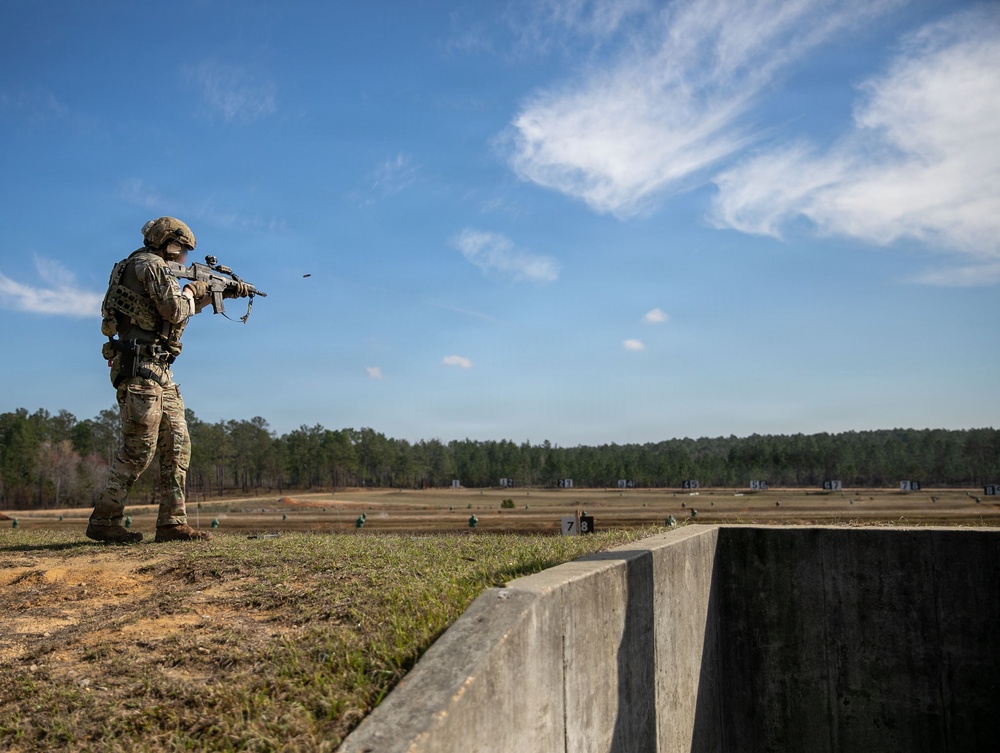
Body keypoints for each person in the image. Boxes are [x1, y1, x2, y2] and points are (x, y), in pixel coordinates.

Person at [87, 217, 250, 544]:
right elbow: (175, 309)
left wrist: (221, 292)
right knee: (139, 450)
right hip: (140, 368)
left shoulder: (139, 265)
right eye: (183, 250)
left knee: (178, 442)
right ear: (169, 244)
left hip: (159, 370)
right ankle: (104, 519)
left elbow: (172, 312)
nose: (185, 258)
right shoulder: (149, 266)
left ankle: (172, 523)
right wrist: (192, 290)